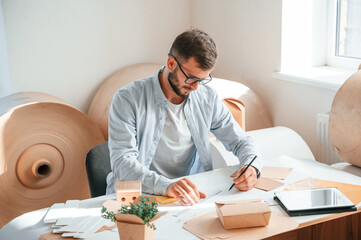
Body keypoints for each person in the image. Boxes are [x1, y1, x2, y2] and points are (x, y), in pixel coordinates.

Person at [106, 29, 262, 205]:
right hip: (139, 195)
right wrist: (166, 185)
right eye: (191, 78)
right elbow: (122, 163)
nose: (196, 87)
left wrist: (252, 167)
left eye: (202, 80)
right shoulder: (128, 99)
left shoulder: (206, 97)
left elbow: (241, 141)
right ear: (171, 63)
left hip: (187, 196)